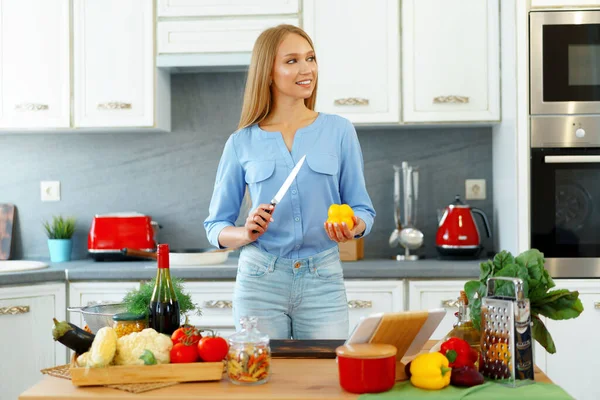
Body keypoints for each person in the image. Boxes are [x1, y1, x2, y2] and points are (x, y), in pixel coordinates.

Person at [204, 24, 375, 340]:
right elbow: (215, 227)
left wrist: (354, 226)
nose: (307, 68)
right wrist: (245, 232)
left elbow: (364, 210)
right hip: (259, 281)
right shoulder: (241, 142)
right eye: (292, 61)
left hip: (323, 279)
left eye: (310, 58)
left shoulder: (339, 131)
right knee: (262, 380)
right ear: (268, 72)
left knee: (324, 382)